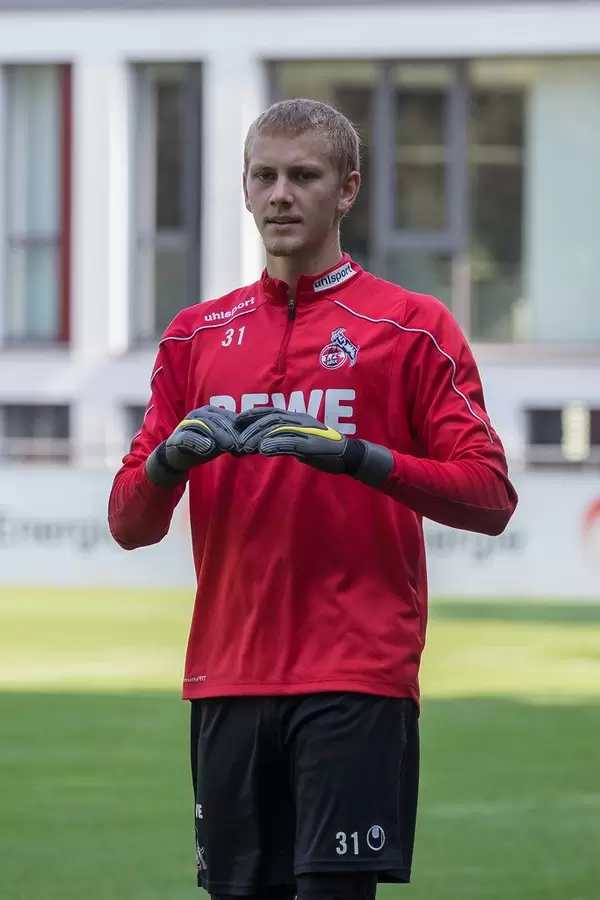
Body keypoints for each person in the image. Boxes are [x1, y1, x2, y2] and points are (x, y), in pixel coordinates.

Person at [108, 98, 518, 900]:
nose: (281, 194)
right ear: (244, 188)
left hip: (355, 676)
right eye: (264, 176)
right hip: (227, 678)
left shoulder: (412, 326)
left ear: (348, 189)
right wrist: (167, 463)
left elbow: (490, 494)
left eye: (304, 175)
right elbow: (129, 523)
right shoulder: (194, 335)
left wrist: (359, 457)